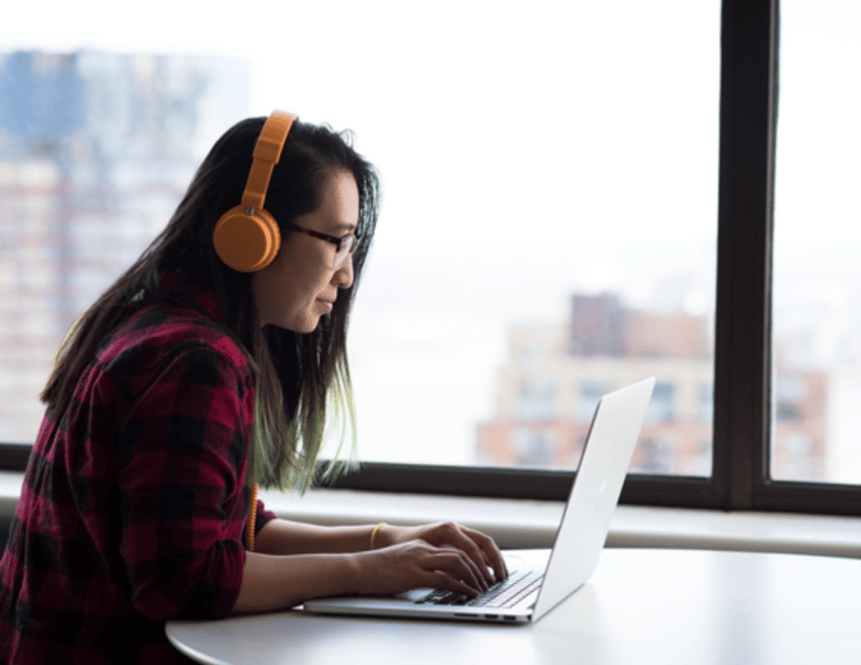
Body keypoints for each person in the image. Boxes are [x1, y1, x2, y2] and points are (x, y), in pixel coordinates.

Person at [0, 112, 507, 664]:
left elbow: (230, 530)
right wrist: (368, 573)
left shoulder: (153, 325)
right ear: (252, 234)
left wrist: (385, 540)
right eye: (336, 241)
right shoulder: (195, 361)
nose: (346, 274)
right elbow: (183, 578)